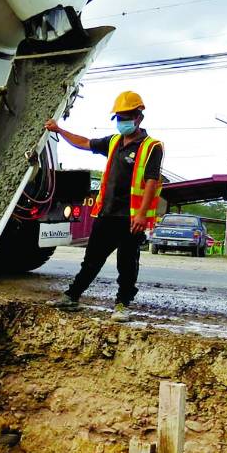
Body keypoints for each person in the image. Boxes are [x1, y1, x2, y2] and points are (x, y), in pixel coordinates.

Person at [44, 91, 164, 322]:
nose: (122, 122)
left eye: (126, 116)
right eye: (119, 117)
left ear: (139, 117)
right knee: (91, 259)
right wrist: (59, 130)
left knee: (127, 263)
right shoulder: (114, 142)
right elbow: (85, 142)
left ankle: (122, 305)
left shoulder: (152, 147)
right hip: (107, 212)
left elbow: (151, 181)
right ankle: (72, 297)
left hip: (130, 218)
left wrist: (141, 215)